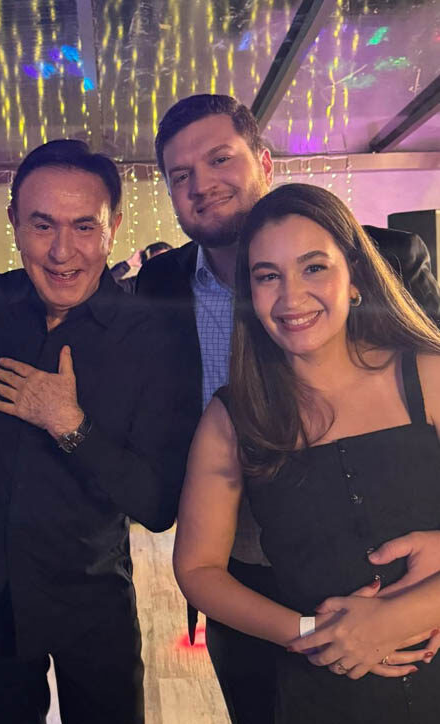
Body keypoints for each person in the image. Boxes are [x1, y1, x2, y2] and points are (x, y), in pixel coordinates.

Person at [136, 93, 440, 724]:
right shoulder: (165, 299)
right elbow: (198, 563)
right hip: (252, 574)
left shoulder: (417, 353)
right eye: (181, 174)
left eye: (220, 159)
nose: (202, 184)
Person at [0, 139, 201, 724]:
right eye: (42, 225)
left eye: (84, 227)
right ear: (15, 222)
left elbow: (157, 505)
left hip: (92, 600)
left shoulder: (152, 335)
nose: (62, 251)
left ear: (112, 229)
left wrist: (70, 425)